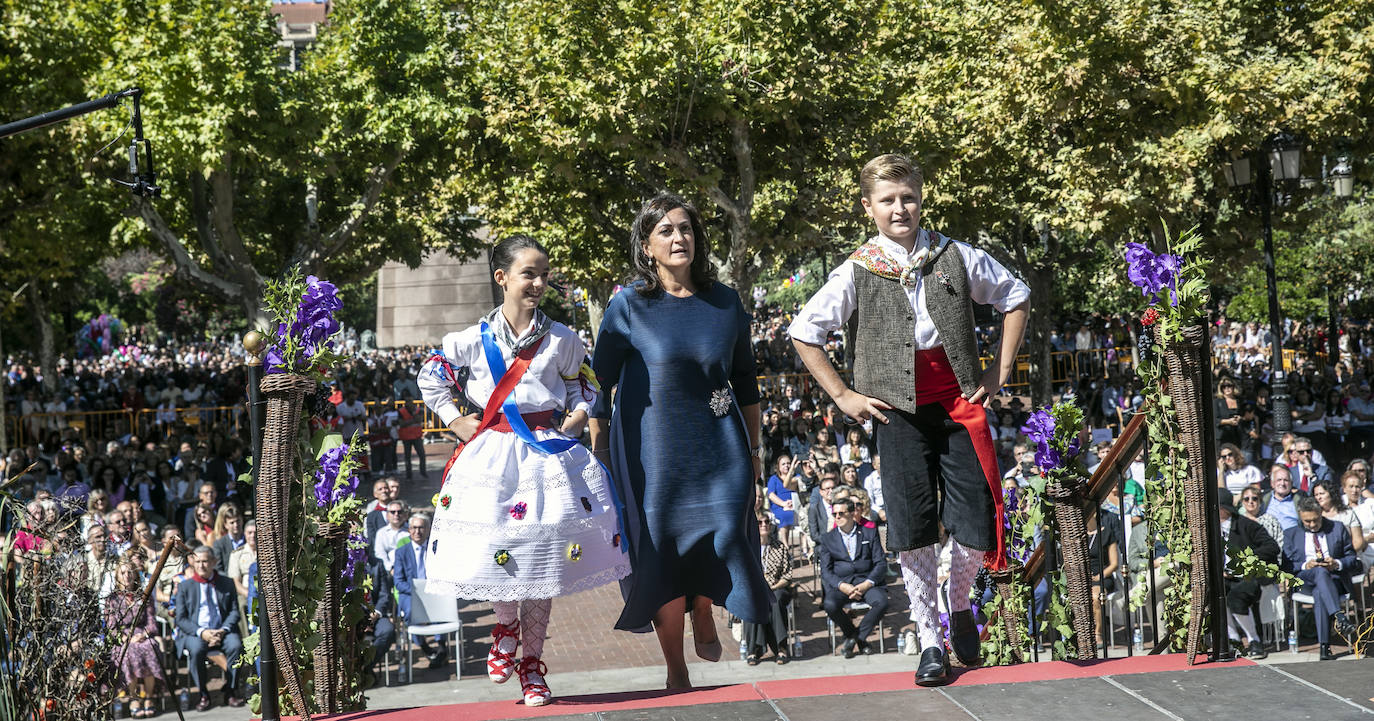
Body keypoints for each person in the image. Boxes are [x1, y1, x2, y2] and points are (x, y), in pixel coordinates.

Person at [788, 153, 1029, 686]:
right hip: (895, 412)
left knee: (974, 523)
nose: (900, 207)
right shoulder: (855, 268)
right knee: (912, 526)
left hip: (958, 403)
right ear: (868, 207)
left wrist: (998, 370)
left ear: (922, 197)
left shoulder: (955, 254)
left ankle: (959, 601)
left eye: (908, 197)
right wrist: (844, 396)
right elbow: (805, 330)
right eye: (888, 199)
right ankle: (929, 639)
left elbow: (1016, 295)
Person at [416, 235, 630, 706]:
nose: (538, 282)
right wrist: (455, 419)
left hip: (544, 457)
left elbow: (586, 387)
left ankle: (531, 665)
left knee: (542, 555)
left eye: (543, 274)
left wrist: (577, 413)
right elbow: (430, 375)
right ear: (502, 278)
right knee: (495, 545)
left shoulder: (562, 338)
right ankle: (505, 623)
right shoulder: (472, 339)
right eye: (528, 273)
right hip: (489, 456)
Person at [589, 193, 771, 690]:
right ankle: (675, 665)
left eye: (685, 228)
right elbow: (596, 385)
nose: (678, 237)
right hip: (655, 454)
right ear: (646, 246)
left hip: (721, 443)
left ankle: (706, 608)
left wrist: (755, 451)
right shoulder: (629, 305)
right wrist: (600, 452)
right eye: (665, 231)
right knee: (663, 551)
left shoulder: (725, 300)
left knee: (727, 535)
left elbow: (746, 382)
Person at [174, 546, 244, 711]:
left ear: (214, 562)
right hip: (196, 632)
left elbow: (234, 611)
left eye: (205, 561)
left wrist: (223, 630)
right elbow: (181, 618)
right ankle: (203, 694)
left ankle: (231, 690)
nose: (201, 565)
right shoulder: (186, 587)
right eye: (197, 561)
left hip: (222, 630)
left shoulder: (226, 583)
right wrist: (202, 632)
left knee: (236, 646)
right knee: (196, 649)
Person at [818, 497, 888, 658]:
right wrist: (842, 585)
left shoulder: (869, 533)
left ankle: (855, 638)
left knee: (882, 602)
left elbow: (881, 563)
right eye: (834, 513)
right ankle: (857, 638)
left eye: (841, 513)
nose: (837, 517)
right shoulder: (828, 539)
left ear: (851, 513)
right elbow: (826, 571)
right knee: (829, 604)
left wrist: (867, 584)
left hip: (866, 582)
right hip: (843, 584)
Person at [1217, 489, 1279, 659]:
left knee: (1237, 595)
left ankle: (1254, 640)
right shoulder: (1210, 528)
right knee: (1214, 595)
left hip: (1248, 576)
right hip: (1223, 577)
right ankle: (1233, 640)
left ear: (1224, 509)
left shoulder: (1247, 525)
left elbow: (1272, 547)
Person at [106, 561, 166, 718]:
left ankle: (149, 696)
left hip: (143, 634)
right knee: (129, 652)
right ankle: (134, 698)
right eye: (123, 573)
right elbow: (111, 627)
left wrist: (144, 635)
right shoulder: (112, 599)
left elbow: (152, 622)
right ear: (117, 576)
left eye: (130, 572)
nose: (127, 576)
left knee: (150, 647)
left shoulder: (143, 596)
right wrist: (126, 638)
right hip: (123, 639)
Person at [742, 519, 793, 665]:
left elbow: (787, 575)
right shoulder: (748, 548)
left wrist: (774, 587)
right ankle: (753, 650)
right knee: (753, 602)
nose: (764, 525)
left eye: (767, 522)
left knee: (775, 600)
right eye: (759, 522)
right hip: (755, 589)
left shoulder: (779, 547)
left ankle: (781, 648)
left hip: (776, 587)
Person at [765, 455, 801, 548]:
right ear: (778, 467)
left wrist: (794, 503)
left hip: (795, 505)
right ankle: (785, 545)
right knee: (785, 515)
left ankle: (805, 548)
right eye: (783, 464)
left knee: (802, 515)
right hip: (779, 506)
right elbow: (771, 495)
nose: (786, 466)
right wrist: (783, 503)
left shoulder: (796, 477)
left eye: (789, 463)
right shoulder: (774, 479)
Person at [1263, 464, 1305, 531]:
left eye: (1286, 480)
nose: (1282, 483)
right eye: (1279, 480)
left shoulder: (1299, 500)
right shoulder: (1263, 499)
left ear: (1291, 483)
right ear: (1272, 483)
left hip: (1292, 539)